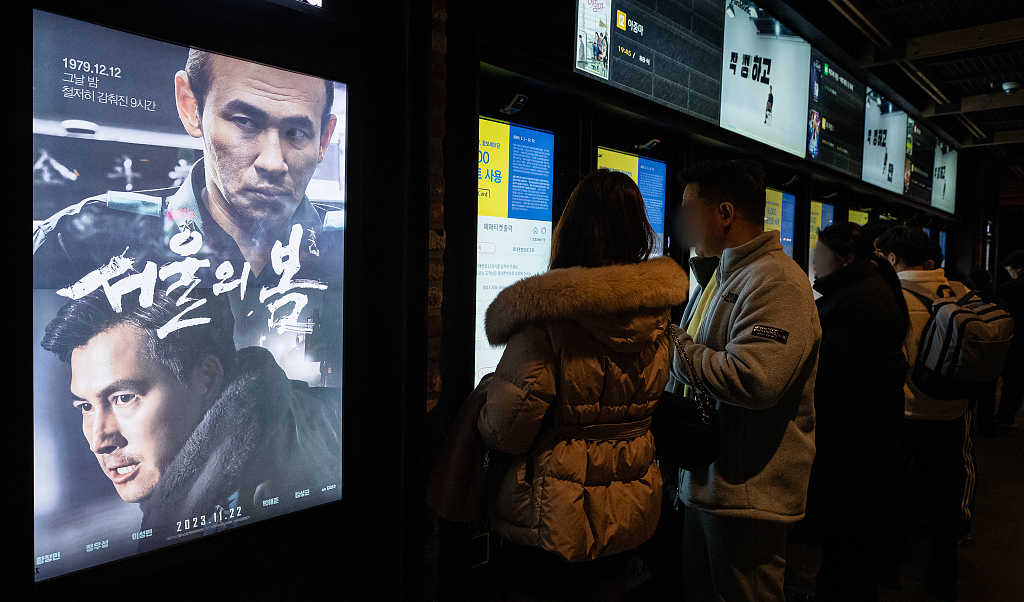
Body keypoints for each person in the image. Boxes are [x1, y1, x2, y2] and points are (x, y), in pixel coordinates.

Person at [33, 49, 343, 353]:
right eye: (245, 122)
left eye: (297, 132)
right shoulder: (80, 240)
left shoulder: (345, 244)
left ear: (324, 139)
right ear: (191, 107)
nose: (273, 162)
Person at [477, 169, 688, 602]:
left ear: (568, 229)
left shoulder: (546, 320)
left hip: (554, 515)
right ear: (638, 233)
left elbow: (506, 428)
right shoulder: (657, 316)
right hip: (630, 507)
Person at [40, 287, 341, 553]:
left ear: (206, 379)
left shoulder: (256, 504)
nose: (98, 441)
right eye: (85, 407)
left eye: (123, 398)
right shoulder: (299, 419)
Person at [667, 159, 820, 602]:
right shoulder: (725, 272)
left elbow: (755, 379)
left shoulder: (777, 282)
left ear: (725, 214)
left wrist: (672, 344)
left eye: (689, 211)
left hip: (749, 495)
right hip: (712, 481)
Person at [804, 222, 909, 602]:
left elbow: (831, 369)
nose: (814, 262)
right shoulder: (864, 290)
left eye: (820, 255)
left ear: (846, 259)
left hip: (857, 445)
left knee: (850, 539)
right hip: (861, 441)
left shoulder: (863, 301)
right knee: (849, 540)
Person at [877, 226, 971, 602]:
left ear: (894, 259)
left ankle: (890, 567)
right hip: (951, 413)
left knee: (895, 489)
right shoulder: (961, 293)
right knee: (945, 497)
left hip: (906, 412)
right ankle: (943, 574)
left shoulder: (894, 295)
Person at [994, 249, 1024, 428]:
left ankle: (1005, 415)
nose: (1007, 271)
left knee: (1012, 378)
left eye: (1009, 268)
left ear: (1018, 268)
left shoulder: (1009, 289)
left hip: (1014, 340)